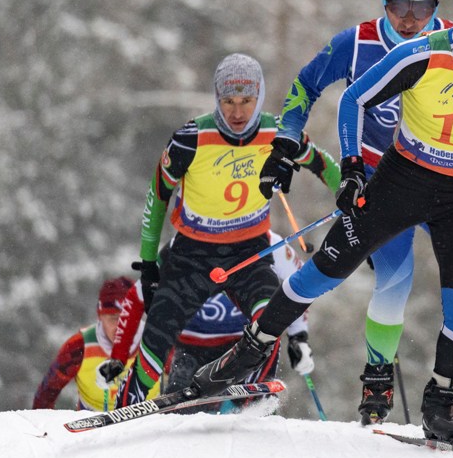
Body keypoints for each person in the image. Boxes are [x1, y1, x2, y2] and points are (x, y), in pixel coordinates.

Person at [191, 0, 453, 442]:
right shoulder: (422, 53)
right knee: (328, 269)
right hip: (402, 182)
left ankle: (442, 402)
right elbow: (353, 99)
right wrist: (352, 165)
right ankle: (251, 349)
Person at [115, 53, 337, 406]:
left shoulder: (279, 133)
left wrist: (353, 196)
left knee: (271, 316)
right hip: (190, 256)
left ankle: (251, 398)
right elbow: (157, 195)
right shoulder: (190, 138)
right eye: (228, 102)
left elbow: (322, 163)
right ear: (217, 99)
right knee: (157, 333)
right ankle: (129, 401)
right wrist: (147, 261)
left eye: (246, 102)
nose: (237, 113)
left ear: (259, 97)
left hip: (249, 254)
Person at [100, 237, 314, 398]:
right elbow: (136, 298)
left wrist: (298, 337)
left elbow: (299, 285)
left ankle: (261, 415)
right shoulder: (181, 245)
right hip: (189, 348)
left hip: (242, 346)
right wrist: (118, 357)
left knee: (263, 339)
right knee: (177, 400)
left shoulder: (270, 243)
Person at [33, 276, 136, 411]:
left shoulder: (155, 342)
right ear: (100, 317)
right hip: (94, 426)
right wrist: (45, 429)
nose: (122, 326)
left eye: (128, 317)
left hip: (145, 425)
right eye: (114, 318)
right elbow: (46, 394)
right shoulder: (79, 346)